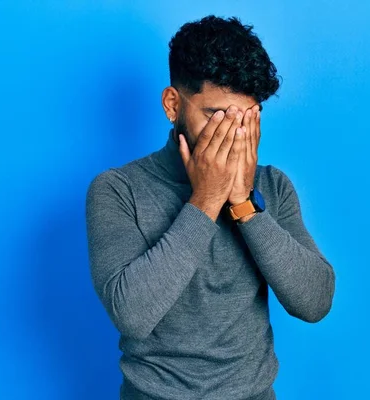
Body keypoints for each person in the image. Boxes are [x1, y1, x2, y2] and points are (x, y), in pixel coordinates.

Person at [85, 15, 336, 400]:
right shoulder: (119, 190)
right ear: (173, 105)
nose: (231, 136)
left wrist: (244, 204)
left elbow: (315, 302)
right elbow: (132, 316)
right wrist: (206, 199)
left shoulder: (272, 186)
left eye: (246, 119)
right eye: (217, 116)